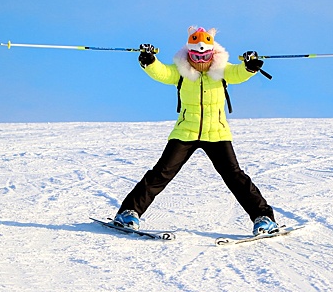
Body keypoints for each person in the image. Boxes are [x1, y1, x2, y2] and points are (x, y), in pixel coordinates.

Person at [114, 26, 278, 236]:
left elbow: (239, 73)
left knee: (234, 176)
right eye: (195, 56)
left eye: (205, 56)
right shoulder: (181, 72)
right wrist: (149, 61)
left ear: (213, 53)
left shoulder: (222, 70)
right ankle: (128, 212)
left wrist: (250, 66)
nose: (200, 61)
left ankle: (263, 218)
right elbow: (161, 72)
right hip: (185, 132)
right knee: (161, 173)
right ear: (188, 54)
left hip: (217, 134)